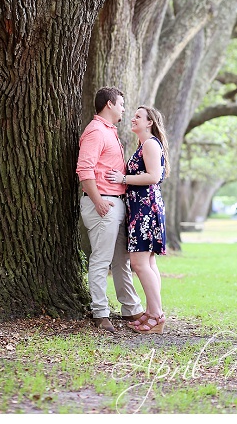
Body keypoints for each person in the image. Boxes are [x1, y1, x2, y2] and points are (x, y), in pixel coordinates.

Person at [76, 87, 146, 334]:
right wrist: (98, 201)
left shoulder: (109, 132)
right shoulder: (95, 132)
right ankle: (100, 312)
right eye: (121, 104)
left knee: (121, 261)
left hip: (116, 202)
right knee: (101, 259)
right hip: (102, 203)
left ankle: (131, 308)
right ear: (109, 104)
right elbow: (84, 170)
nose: (124, 109)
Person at [106, 105, 168, 334]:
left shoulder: (151, 144)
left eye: (138, 116)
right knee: (148, 263)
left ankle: (158, 315)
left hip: (146, 208)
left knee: (139, 264)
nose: (133, 118)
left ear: (149, 122)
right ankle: (152, 313)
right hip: (141, 207)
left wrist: (123, 178)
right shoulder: (144, 144)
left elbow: (154, 176)